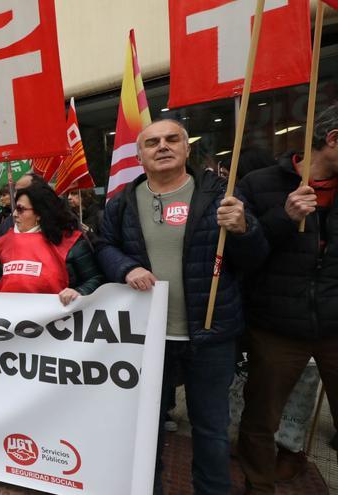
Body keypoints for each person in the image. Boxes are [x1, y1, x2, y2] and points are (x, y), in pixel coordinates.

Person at [95, 119, 266, 495]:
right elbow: (104, 246)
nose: (163, 146)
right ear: (140, 155)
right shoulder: (123, 201)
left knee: (210, 430)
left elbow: (255, 258)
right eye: (152, 142)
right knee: (146, 427)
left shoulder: (221, 194)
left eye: (173, 139)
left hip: (210, 333)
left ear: (188, 149)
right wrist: (127, 268)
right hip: (148, 338)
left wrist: (243, 229)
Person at [236, 104, 338, 494]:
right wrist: (283, 216)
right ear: (332, 140)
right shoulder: (260, 184)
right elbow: (242, 257)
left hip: (334, 322)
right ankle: (258, 486)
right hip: (276, 326)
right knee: (262, 418)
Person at [0, 182, 103, 303]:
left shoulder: (70, 242)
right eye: (15, 208)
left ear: (40, 214)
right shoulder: (6, 240)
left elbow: (95, 278)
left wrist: (78, 292)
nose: (14, 214)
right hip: (11, 324)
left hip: (56, 327)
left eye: (21, 209)